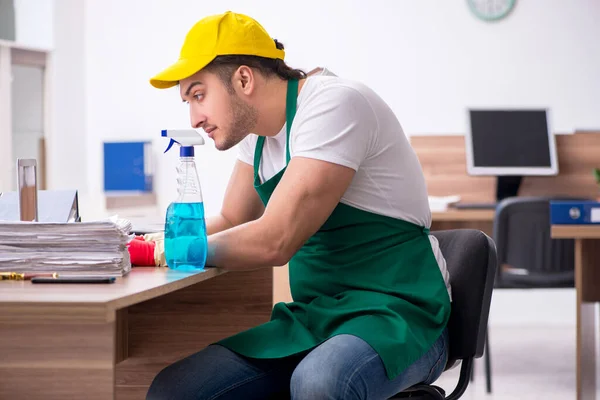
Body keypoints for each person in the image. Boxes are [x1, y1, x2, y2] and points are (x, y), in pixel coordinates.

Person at [146, 11, 452, 400]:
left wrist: (178, 251)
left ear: (243, 79)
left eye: (199, 94)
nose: (194, 118)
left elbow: (276, 239)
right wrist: (151, 242)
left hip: (402, 314)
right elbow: (232, 219)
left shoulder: (334, 105)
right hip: (319, 315)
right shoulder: (255, 135)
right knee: (175, 391)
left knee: (320, 382)